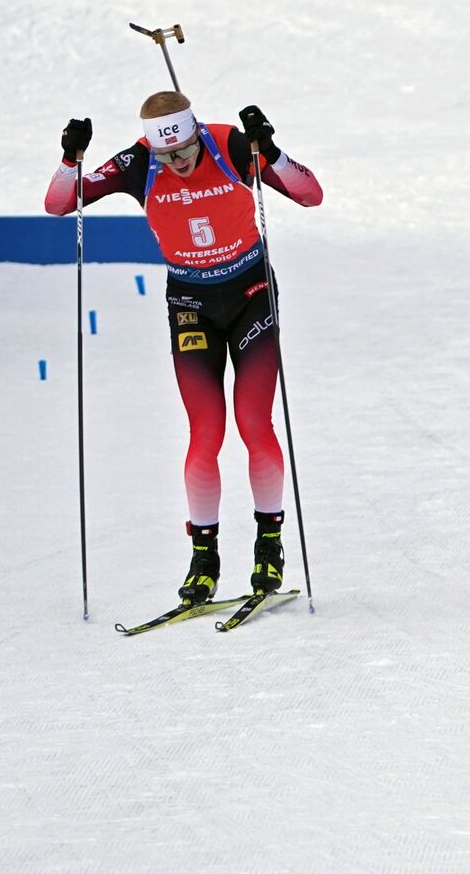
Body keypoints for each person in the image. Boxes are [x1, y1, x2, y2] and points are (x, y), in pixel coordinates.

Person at [45, 92, 323, 604]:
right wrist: (70, 159)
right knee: (206, 431)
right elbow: (60, 204)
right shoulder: (137, 162)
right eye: (166, 155)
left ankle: (269, 544)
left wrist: (271, 152)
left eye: (184, 151)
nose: (177, 162)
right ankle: (204, 557)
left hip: (251, 295)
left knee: (254, 423)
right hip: (190, 304)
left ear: (196, 133)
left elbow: (310, 195)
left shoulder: (230, 144)